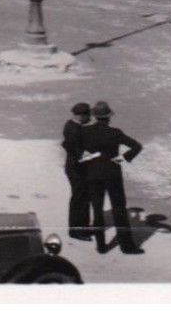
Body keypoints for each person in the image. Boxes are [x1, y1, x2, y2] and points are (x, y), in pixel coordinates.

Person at [79, 101, 145, 254]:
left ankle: (101, 246)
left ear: (95, 116)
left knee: (97, 210)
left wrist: (87, 159)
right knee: (119, 210)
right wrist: (123, 158)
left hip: (93, 173)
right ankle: (126, 246)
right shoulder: (115, 133)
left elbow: (74, 148)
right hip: (112, 173)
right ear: (108, 117)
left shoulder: (85, 132)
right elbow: (137, 146)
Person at [62, 103, 95, 240]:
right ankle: (76, 231)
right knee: (79, 199)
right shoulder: (73, 129)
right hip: (76, 170)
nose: (90, 118)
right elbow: (70, 147)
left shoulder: (72, 125)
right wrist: (85, 155)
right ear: (82, 115)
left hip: (76, 168)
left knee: (83, 197)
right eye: (88, 115)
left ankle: (83, 227)